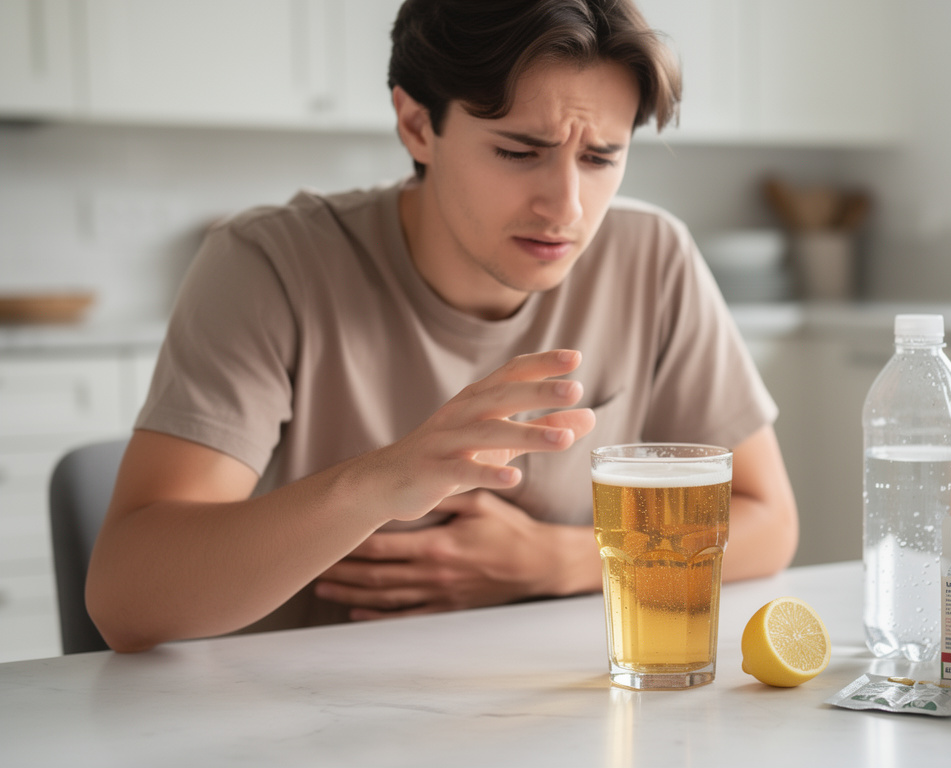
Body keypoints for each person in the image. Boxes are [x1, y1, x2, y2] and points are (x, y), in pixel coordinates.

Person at [86, 0, 799, 653]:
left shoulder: (653, 256)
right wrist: (390, 478)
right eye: (519, 152)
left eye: (600, 157)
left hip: (541, 701)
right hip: (298, 716)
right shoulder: (270, 262)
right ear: (417, 124)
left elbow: (769, 522)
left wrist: (553, 562)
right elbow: (126, 600)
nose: (566, 209)